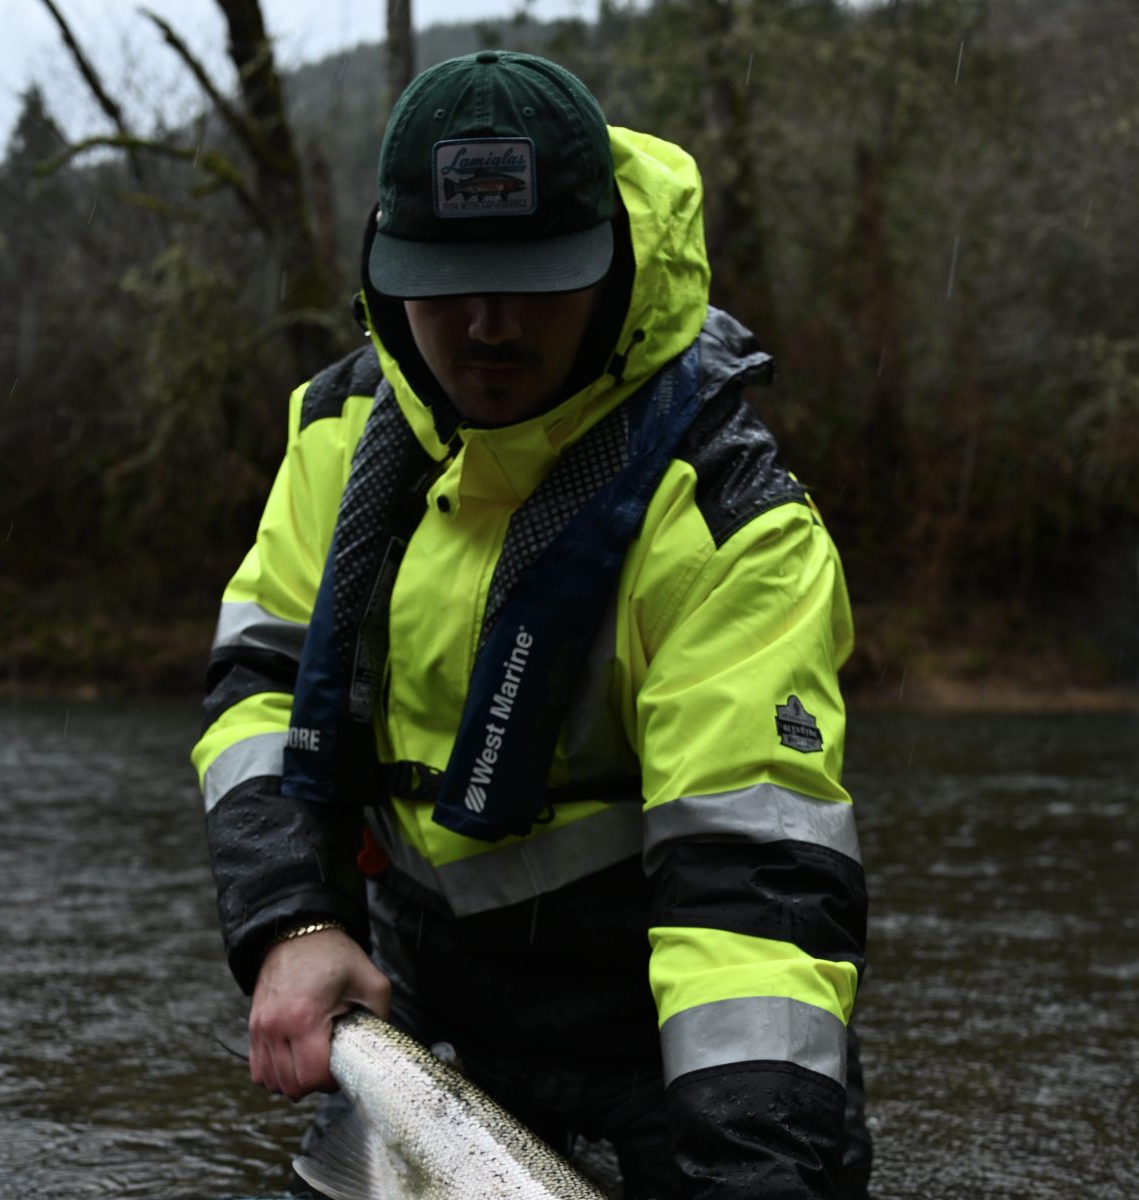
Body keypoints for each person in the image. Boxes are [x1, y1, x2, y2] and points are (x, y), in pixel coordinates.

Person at [192, 49, 871, 1200]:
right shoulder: (335, 436)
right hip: (424, 1014)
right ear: (384, 266)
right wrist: (295, 922)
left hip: (659, 1053)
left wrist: (756, 1172)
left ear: (611, 266)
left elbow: (750, 901)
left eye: (535, 278)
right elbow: (259, 690)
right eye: (449, 279)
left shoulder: (729, 523)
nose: (489, 325)